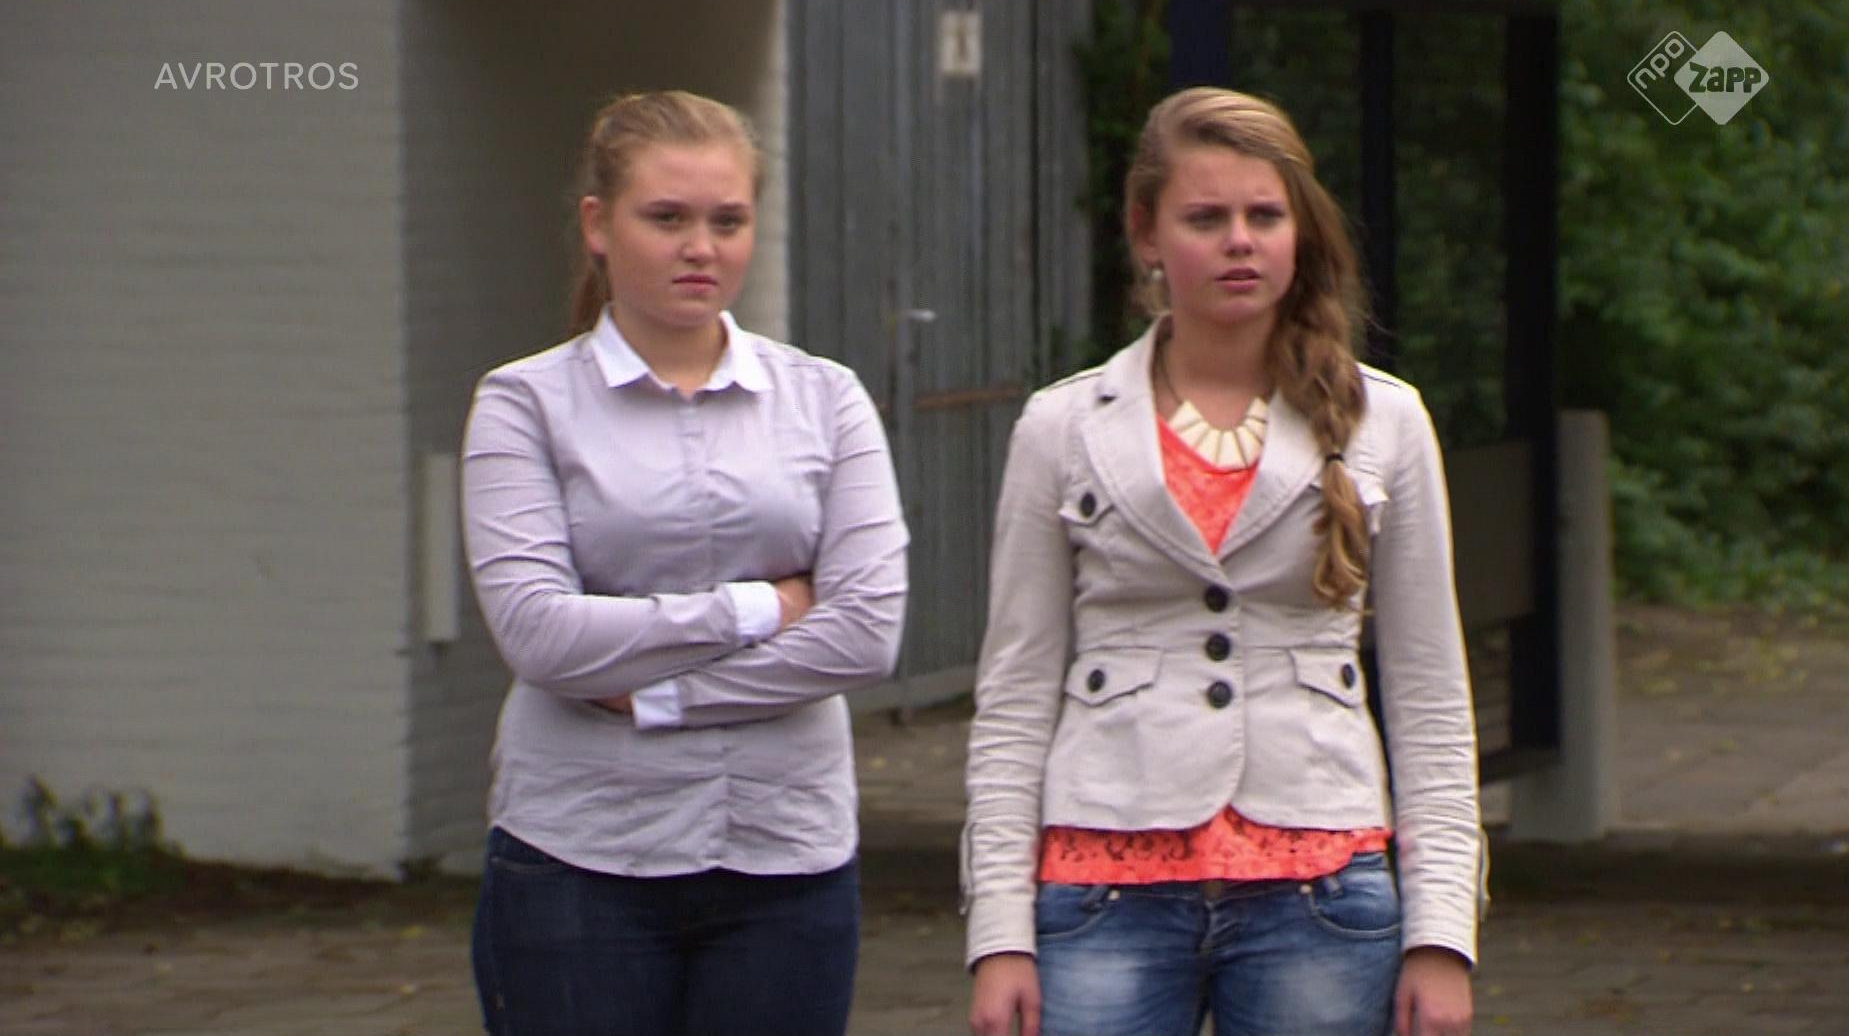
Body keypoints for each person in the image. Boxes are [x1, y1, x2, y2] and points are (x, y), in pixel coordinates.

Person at [964, 86, 1484, 1036]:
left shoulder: (1387, 420)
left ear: (1300, 230)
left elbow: (1431, 696)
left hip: (1321, 887)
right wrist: (999, 932)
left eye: (1265, 216)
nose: (1239, 241)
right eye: (1206, 218)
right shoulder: (1063, 426)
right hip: (1102, 885)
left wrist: (1443, 934)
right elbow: (1014, 694)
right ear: (1147, 234)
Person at [460, 90, 909, 1036]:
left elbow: (866, 635)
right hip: (579, 857)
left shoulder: (826, 398)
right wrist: (762, 608)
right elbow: (540, 635)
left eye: (727, 221)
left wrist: (660, 696)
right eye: (666, 218)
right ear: (599, 225)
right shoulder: (523, 404)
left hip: (785, 854)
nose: (700, 247)